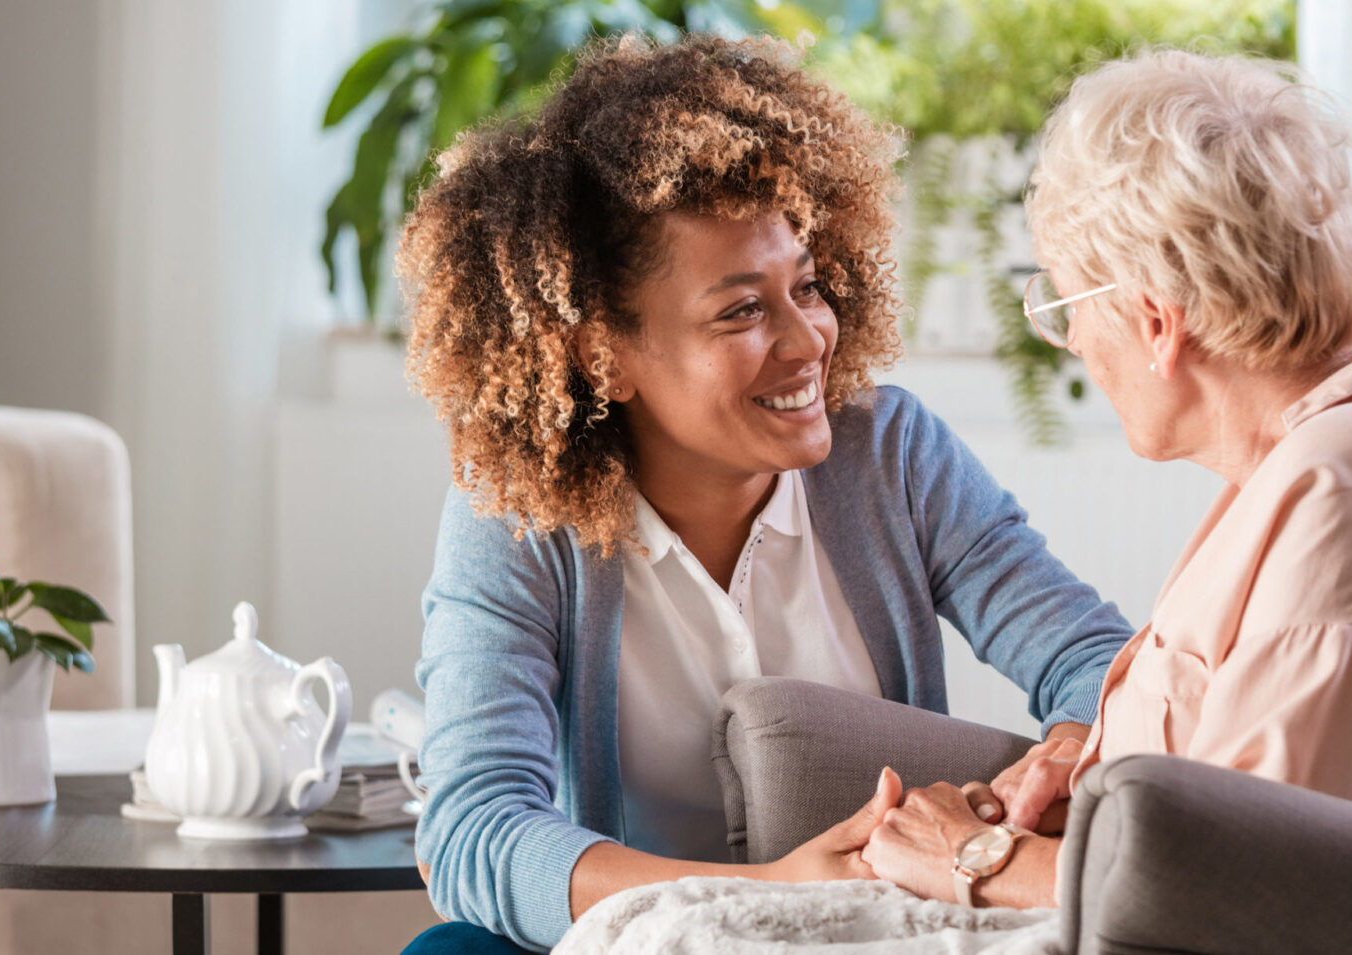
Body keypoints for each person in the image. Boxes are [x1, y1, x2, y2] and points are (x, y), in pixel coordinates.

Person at [861, 49, 1352, 908]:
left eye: (1063, 308)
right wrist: (1100, 775)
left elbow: (1250, 890)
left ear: (1155, 320)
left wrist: (978, 857)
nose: (1077, 346)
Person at [397, 35, 1134, 953]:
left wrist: (1061, 758)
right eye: (741, 310)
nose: (808, 339)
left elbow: (1099, 664)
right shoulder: (517, 516)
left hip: (881, 929)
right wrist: (762, 894)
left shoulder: (891, 454)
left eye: (808, 286)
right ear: (603, 355)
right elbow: (475, 829)